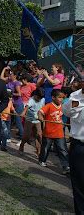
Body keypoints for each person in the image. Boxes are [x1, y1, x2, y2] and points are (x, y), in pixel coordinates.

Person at [62, 77, 84, 214]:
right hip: (79, 145)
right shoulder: (75, 96)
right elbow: (67, 112)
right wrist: (80, 99)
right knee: (79, 186)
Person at [38, 89, 69, 174]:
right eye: (59, 97)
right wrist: (40, 117)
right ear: (53, 97)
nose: (61, 99)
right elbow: (40, 112)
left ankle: (66, 166)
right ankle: (42, 160)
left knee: (63, 149)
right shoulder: (49, 105)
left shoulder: (63, 106)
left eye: (62, 97)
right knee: (45, 148)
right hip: (48, 132)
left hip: (59, 132)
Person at [19, 88, 45, 156]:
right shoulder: (32, 100)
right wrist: (23, 113)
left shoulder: (43, 99)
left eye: (40, 98)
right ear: (35, 95)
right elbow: (27, 107)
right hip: (30, 120)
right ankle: (22, 145)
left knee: (39, 135)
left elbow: (43, 108)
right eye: (38, 97)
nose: (39, 99)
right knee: (26, 136)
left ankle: (38, 151)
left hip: (37, 120)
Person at [1, 67, 24, 143]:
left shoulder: (16, 83)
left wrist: (10, 93)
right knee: (9, 121)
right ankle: (8, 137)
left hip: (17, 104)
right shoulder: (9, 81)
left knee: (18, 122)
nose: (9, 75)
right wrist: (4, 69)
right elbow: (1, 78)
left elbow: (19, 94)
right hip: (10, 104)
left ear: (15, 76)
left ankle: (22, 138)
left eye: (11, 74)